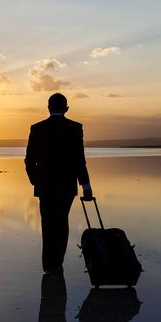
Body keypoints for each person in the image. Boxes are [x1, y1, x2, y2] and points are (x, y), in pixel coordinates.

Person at [25, 93, 92, 273]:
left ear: (48, 108)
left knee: (48, 224)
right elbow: (80, 161)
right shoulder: (75, 128)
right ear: (66, 108)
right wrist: (86, 187)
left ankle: (48, 265)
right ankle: (57, 263)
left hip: (45, 186)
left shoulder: (37, 128)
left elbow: (29, 161)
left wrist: (36, 181)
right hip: (67, 186)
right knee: (62, 222)